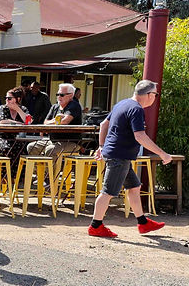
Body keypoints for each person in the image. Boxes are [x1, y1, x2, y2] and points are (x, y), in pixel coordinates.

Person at [88, 80, 172, 237]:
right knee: (107, 192)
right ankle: (95, 226)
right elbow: (140, 136)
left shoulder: (122, 104)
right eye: (155, 94)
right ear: (149, 95)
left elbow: (103, 125)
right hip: (119, 156)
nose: (155, 97)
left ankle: (143, 223)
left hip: (120, 156)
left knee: (134, 187)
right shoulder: (136, 109)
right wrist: (162, 153)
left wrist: (101, 146)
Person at [25, 83, 83, 170]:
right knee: (32, 147)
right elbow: (45, 122)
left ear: (71, 95)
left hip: (71, 142)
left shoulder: (74, 105)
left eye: (62, 95)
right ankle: (41, 174)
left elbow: (65, 122)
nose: (59, 97)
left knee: (50, 150)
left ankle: (51, 180)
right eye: (58, 94)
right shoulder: (55, 107)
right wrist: (57, 120)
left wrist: (55, 121)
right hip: (53, 140)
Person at [0, 85, 30, 169]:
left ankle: (18, 177)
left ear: (18, 99)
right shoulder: (3, 108)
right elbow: (2, 121)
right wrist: (18, 123)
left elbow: (28, 121)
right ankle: (3, 176)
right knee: (6, 149)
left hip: (13, 137)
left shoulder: (23, 109)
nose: (7, 100)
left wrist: (18, 109)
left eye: (9, 98)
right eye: (6, 98)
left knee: (22, 150)